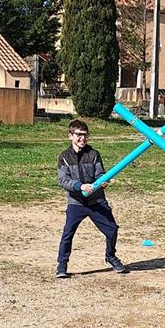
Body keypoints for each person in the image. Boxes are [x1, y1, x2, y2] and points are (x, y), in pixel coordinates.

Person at [55, 119, 128, 278]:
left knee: (112, 229)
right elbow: (63, 180)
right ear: (70, 136)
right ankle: (62, 264)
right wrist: (80, 186)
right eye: (79, 135)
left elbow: (100, 174)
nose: (82, 138)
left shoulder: (93, 154)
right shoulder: (64, 157)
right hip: (76, 203)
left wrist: (102, 182)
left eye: (85, 135)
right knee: (68, 233)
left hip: (96, 201)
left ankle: (111, 256)